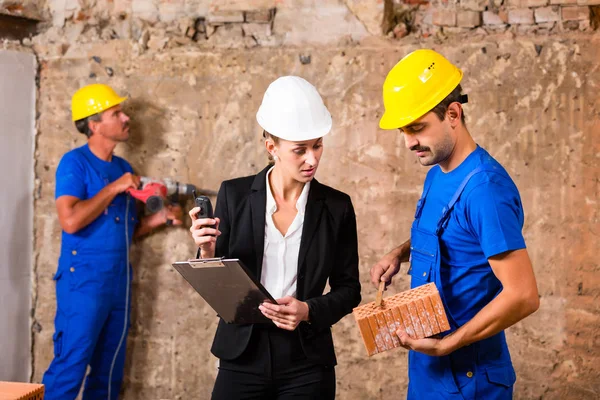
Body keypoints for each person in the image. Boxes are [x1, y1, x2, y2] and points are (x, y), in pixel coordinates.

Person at [370, 49, 540, 399]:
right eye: (403, 130)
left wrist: (449, 345)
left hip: (467, 378)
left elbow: (523, 296)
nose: (408, 142)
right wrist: (400, 253)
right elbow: (455, 235)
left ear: (452, 114)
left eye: (417, 128)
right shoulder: (438, 172)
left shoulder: (485, 190)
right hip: (428, 371)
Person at [189, 76, 361, 399]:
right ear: (272, 147)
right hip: (242, 353)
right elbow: (220, 288)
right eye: (300, 150)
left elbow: (350, 290)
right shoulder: (234, 195)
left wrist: (308, 310)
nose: (313, 159)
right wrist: (207, 251)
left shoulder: (338, 207)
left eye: (317, 145)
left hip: (307, 361)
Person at [42, 83, 183, 400]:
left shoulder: (123, 169)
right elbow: (71, 220)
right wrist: (113, 189)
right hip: (84, 284)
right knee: (70, 368)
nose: (125, 118)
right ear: (94, 125)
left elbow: (125, 231)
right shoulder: (74, 163)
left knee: (109, 375)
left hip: (118, 283)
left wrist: (158, 219)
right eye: (115, 113)